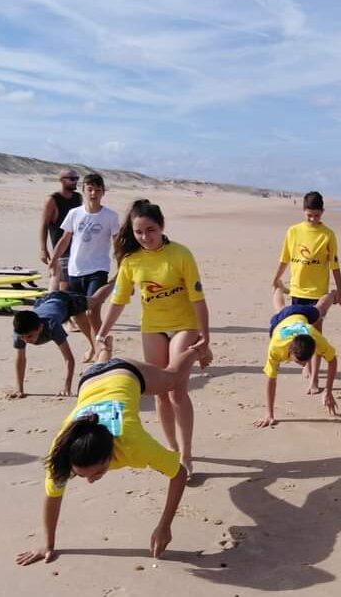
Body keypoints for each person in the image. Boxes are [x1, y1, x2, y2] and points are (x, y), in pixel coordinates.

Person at [15, 337, 195, 566]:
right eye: (83, 475)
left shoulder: (132, 443)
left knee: (171, 378)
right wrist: (47, 543)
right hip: (90, 379)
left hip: (125, 372)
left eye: (98, 472)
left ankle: (196, 350)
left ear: (112, 452)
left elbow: (178, 474)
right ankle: (103, 350)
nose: (90, 481)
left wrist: (165, 525)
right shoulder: (63, 450)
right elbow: (52, 497)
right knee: (101, 368)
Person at [96, 199, 210, 478]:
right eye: (139, 232)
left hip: (184, 325)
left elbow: (198, 299)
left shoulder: (181, 254)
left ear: (161, 227)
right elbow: (119, 300)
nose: (145, 237)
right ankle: (171, 450)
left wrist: (205, 337)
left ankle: (186, 454)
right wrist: (102, 331)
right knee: (160, 394)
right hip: (153, 327)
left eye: (151, 230)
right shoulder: (131, 261)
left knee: (178, 390)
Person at [270, 191, 341, 394]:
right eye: (309, 215)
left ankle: (314, 380)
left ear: (322, 212)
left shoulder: (328, 234)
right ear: (303, 211)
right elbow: (284, 258)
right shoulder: (293, 231)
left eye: (317, 215)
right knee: (300, 334)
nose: (313, 219)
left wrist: (339, 290)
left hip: (318, 292)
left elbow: (335, 265)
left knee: (316, 336)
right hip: (297, 290)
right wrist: (276, 278)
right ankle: (306, 364)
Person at [253, 283, 341, 428]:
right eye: (300, 362)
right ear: (290, 352)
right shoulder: (276, 348)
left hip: (302, 315)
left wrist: (329, 391)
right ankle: (278, 288)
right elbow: (271, 380)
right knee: (280, 310)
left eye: (307, 361)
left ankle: (333, 295)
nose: (303, 364)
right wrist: (269, 414)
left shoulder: (314, 336)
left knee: (320, 310)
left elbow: (332, 360)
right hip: (281, 322)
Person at [48, 173, 121, 361]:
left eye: (97, 190)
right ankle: (94, 346)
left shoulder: (110, 217)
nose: (93, 193)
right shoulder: (74, 214)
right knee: (79, 314)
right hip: (75, 269)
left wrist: (122, 269)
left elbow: (117, 244)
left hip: (98, 269)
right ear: (84, 191)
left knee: (92, 310)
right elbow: (65, 239)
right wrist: (53, 259)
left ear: (103, 192)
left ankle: (101, 346)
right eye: (90, 189)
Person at [11, 288, 113, 398]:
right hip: (45, 302)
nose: (26, 340)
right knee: (81, 319)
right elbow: (20, 359)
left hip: (65, 301)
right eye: (23, 337)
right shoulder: (19, 332)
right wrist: (19, 389)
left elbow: (69, 358)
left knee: (95, 300)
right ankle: (92, 347)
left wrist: (67, 387)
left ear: (40, 328)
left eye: (30, 336)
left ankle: (116, 282)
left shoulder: (52, 326)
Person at [39, 169, 83, 292]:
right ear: (61, 180)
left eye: (77, 178)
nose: (75, 181)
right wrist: (43, 249)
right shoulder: (52, 199)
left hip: (77, 248)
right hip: (61, 249)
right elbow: (44, 224)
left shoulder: (77, 198)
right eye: (72, 179)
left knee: (75, 285)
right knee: (64, 283)